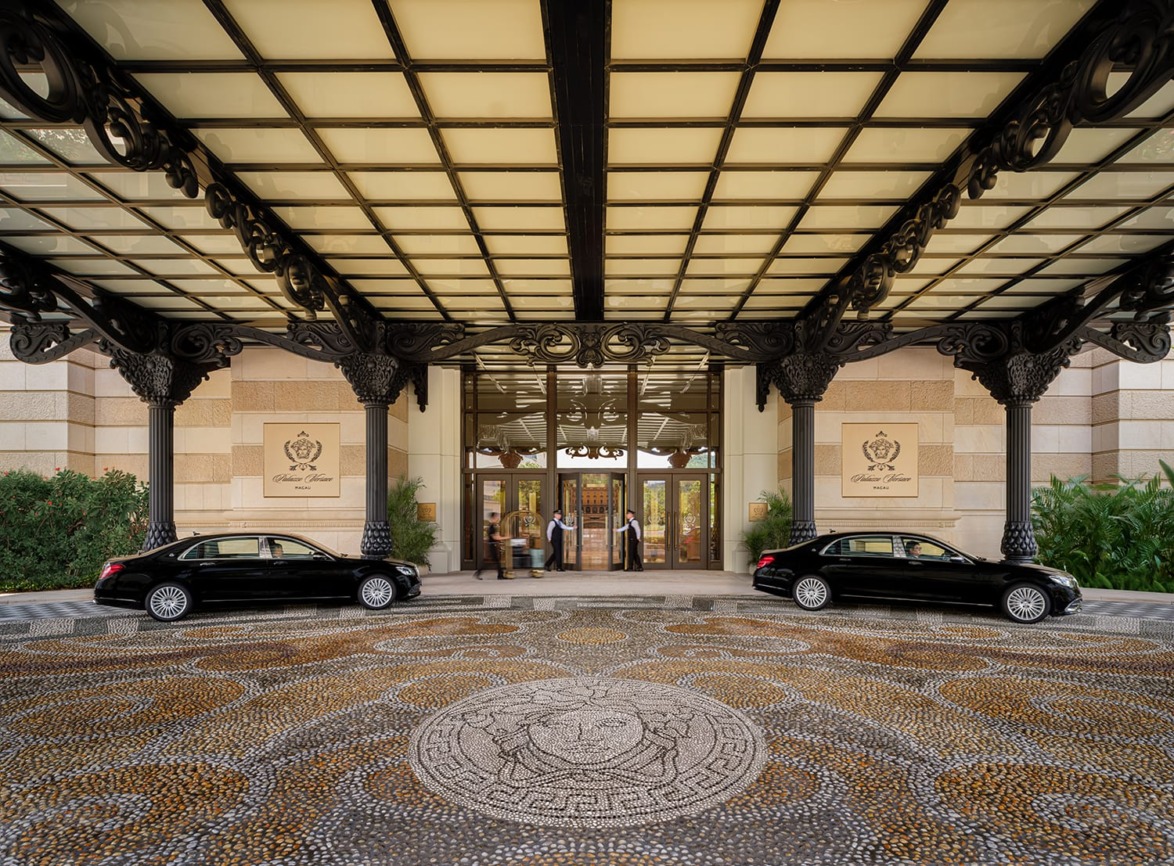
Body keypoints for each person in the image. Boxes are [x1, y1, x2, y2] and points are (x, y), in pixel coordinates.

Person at [475, 512, 504, 580]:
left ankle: (500, 575)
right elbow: (495, 538)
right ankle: (500, 575)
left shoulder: (493, 526)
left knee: (495, 561)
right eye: (497, 517)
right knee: (494, 561)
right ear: (493, 518)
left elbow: (497, 536)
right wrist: (506, 537)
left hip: (493, 545)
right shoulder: (491, 527)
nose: (498, 519)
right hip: (492, 546)